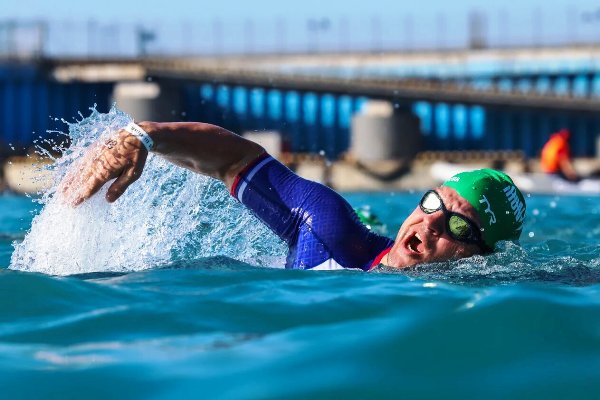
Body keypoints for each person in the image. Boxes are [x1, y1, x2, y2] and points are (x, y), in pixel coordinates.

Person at [61, 121, 527, 271]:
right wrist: (144, 135)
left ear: (482, 257)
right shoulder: (332, 233)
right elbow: (237, 160)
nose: (429, 225)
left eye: (459, 227)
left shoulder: (503, 288)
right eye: (432, 204)